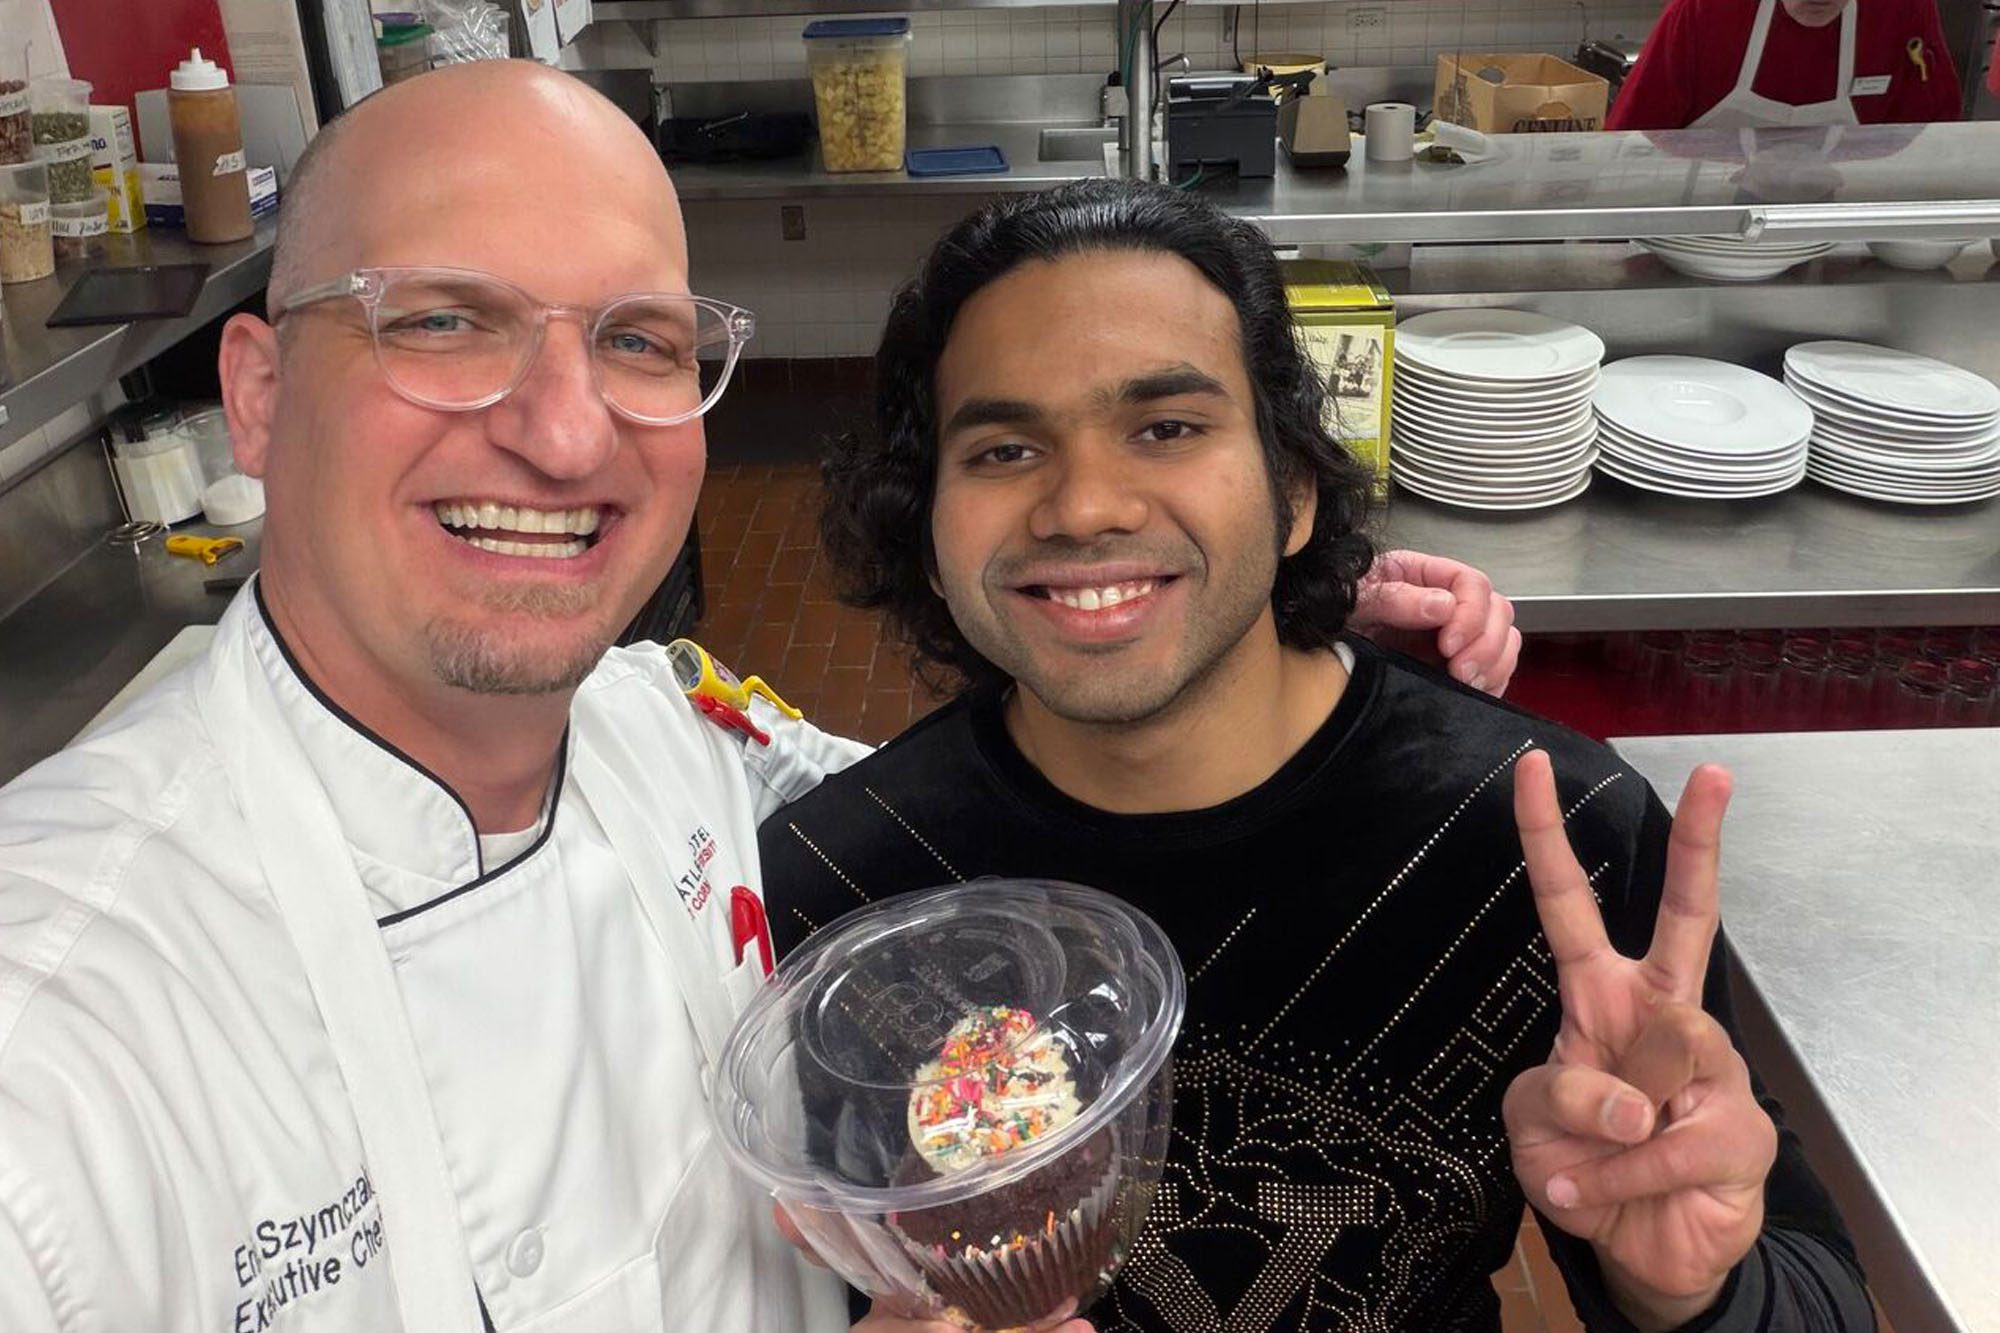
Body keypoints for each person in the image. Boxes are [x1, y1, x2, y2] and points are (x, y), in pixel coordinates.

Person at [0, 65, 1516, 1333]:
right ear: (257, 395)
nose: (563, 428)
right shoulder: (63, 1047)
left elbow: (905, 788)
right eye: (442, 318)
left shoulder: (669, 728)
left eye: (635, 340)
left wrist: (1251, 616)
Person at [760, 179, 1875, 1333]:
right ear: (928, 534)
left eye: (1166, 427)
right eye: (1000, 448)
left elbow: (1811, 1295)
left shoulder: (1542, 845)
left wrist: (1687, 1286)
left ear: (1293, 489)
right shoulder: (829, 895)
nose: (1083, 504)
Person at [1606, 0, 1962, 130]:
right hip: (1699, 236)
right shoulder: (1703, 12)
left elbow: (1933, 141)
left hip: (1844, 240)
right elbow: (1628, 145)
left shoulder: (1902, 11)